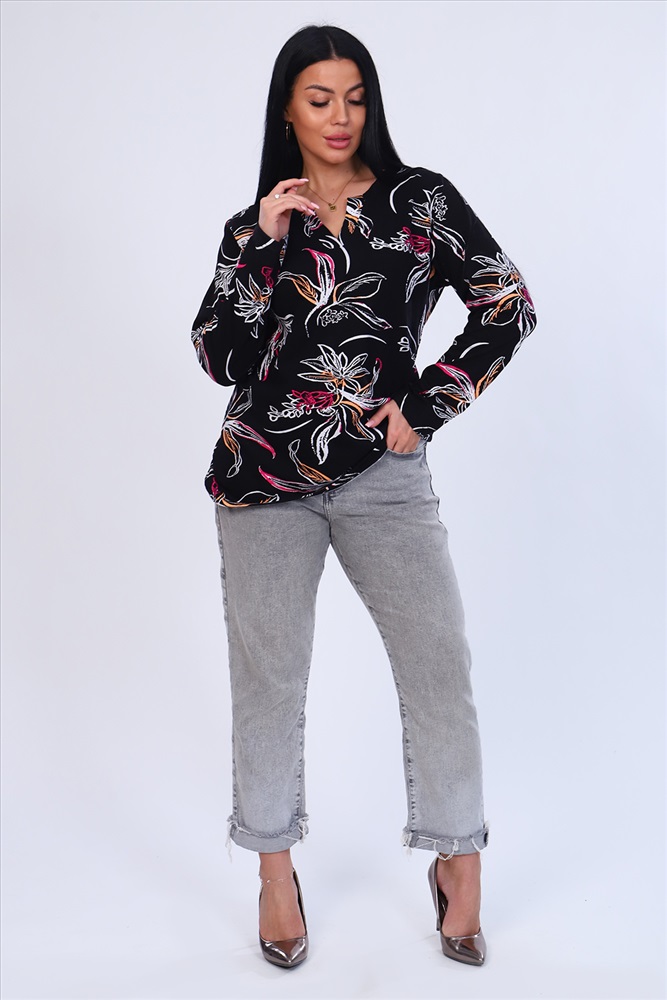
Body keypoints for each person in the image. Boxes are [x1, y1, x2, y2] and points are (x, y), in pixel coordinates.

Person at [191, 24, 536, 970]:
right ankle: (273, 872)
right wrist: (261, 249)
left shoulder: (420, 201)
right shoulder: (256, 224)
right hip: (261, 479)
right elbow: (219, 357)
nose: (339, 117)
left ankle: (458, 858)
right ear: (287, 111)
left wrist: (425, 406)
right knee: (269, 684)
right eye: (318, 99)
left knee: (437, 662)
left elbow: (505, 303)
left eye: (353, 97)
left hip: (384, 477)